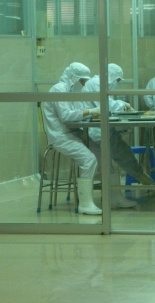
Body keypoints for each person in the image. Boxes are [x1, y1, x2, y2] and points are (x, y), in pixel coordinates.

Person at [82, 63, 155, 208]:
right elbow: (105, 104)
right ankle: (121, 195)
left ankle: (141, 186)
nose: (117, 84)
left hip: (101, 129)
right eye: (117, 80)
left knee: (118, 157)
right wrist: (122, 104)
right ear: (112, 76)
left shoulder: (98, 83)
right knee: (119, 157)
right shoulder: (96, 83)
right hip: (96, 131)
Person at [42, 62, 102, 215]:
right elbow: (66, 116)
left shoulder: (72, 90)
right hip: (60, 136)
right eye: (82, 80)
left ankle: (113, 196)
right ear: (73, 78)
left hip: (72, 133)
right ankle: (85, 204)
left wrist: (90, 113)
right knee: (89, 160)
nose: (83, 83)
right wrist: (91, 111)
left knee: (100, 151)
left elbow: (78, 111)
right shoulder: (59, 89)